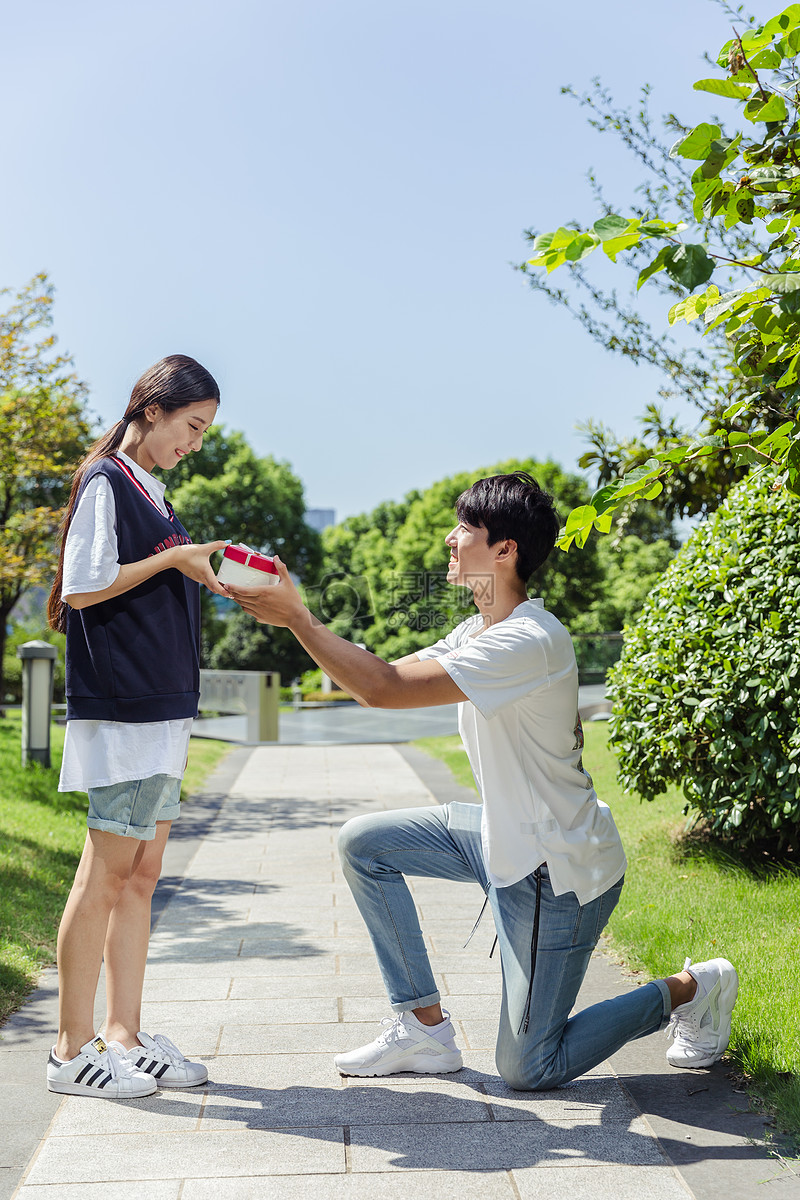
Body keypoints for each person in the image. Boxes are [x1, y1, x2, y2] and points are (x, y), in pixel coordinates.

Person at [226, 471, 739, 1087]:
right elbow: (382, 675)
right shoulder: (479, 629)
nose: (449, 538)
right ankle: (423, 1028)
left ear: (505, 550)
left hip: (557, 870)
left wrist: (299, 621)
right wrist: (297, 612)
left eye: (464, 528)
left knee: (529, 1067)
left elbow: (382, 691)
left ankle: (695, 987)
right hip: (500, 836)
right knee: (365, 844)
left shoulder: (528, 640)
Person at [45, 354, 229, 1098]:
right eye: (191, 425)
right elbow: (84, 587)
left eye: (205, 432)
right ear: (150, 410)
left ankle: (123, 1034)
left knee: (143, 877)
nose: (195, 441)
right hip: (125, 714)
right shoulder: (107, 483)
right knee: (106, 873)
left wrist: (190, 562)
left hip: (162, 713)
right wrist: (175, 558)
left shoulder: (152, 493)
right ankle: (69, 1051)